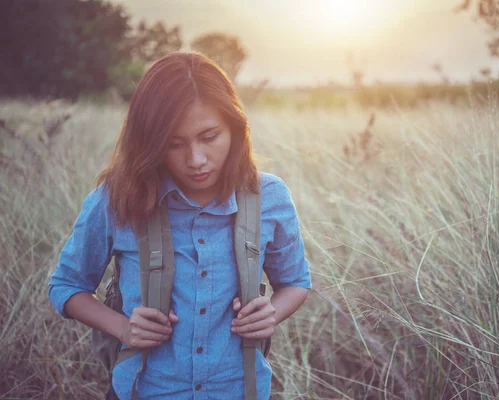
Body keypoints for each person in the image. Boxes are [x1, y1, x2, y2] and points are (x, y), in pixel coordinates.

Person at [48, 51, 312, 399]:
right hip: (144, 391)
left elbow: (295, 282)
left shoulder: (270, 197)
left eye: (209, 136)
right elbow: (66, 286)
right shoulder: (114, 198)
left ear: (235, 127)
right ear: (149, 142)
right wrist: (124, 328)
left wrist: (270, 315)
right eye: (174, 144)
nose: (196, 160)